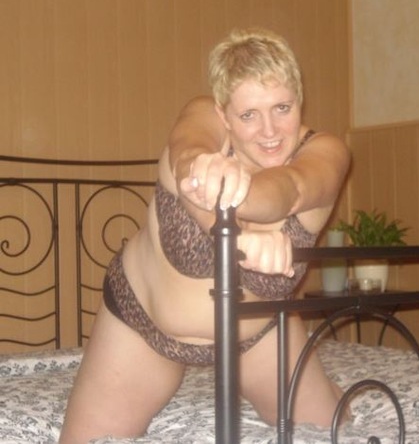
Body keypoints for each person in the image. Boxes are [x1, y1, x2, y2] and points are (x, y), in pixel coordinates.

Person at [60, 28, 350, 442]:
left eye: (282, 108)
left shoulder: (326, 152)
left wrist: (240, 207)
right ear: (223, 115)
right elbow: (187, 155)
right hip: (143, 326)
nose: (269, 130)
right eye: (248, 115)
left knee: (340, 429)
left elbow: (291, 188)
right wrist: (224, 210)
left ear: (299, 102)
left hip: (259, 335)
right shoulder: (201, 127)